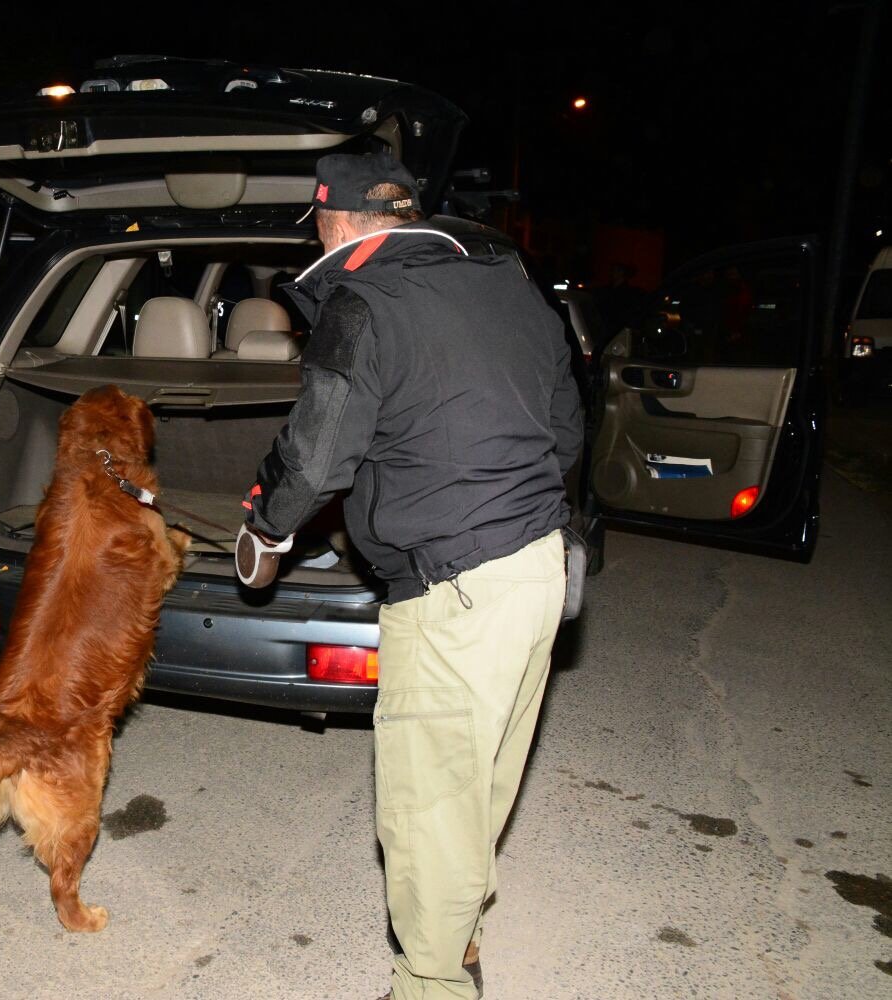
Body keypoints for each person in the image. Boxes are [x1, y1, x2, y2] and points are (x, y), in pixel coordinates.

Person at [238, 152, 584, 999]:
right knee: (480, 785)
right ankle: (458, 939)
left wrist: (264, 527)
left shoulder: (361, 304)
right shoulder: (510, 286)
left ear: (336, 223)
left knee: (428, 809)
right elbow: (567, 430)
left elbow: (316, 461)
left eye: (316, 224)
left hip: (454, 592)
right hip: (539, 569)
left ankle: (432, 983)